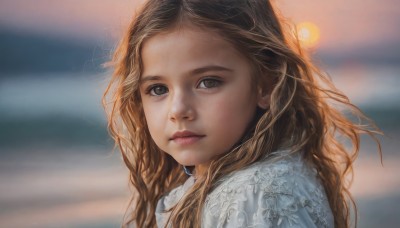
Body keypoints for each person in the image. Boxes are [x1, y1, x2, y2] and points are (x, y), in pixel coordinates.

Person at [102, 0, 381, 227]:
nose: (178, 111)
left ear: (266, 84)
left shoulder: (256, 197)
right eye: (158, 89)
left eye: (208, 82)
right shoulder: (237, 183)